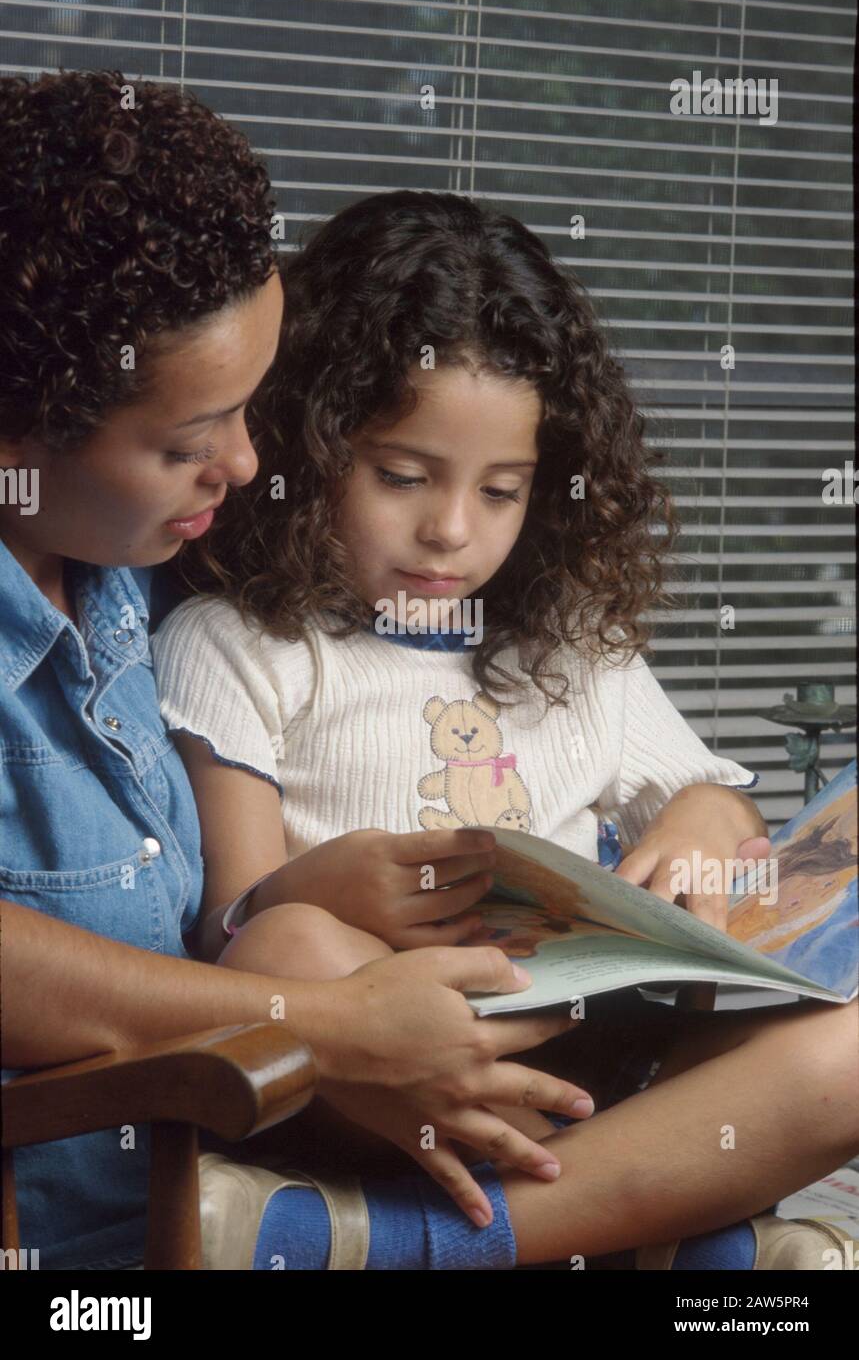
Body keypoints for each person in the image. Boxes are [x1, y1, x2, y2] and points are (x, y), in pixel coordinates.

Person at [149, 191, 859, 1270]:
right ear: (311, 439)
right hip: (385, 1065)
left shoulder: (572, 648)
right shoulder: (241, 642)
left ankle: (451, 1240)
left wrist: (703, 828)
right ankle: (663, 1231)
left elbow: (711, 795)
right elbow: (229, 926)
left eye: (503, 490)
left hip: (593, 1061)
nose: (450, 529)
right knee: (288, 949)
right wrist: (323, 882)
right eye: (402, 477)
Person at [0, 70, 591, 1273]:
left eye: (252, 406)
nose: (247, 459)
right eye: (184, 441)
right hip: (99, 1235)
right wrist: (327, 1027)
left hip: (254, 1148)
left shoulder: (137, 564)